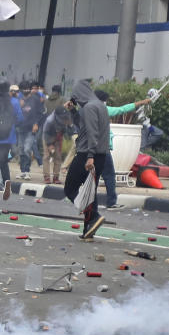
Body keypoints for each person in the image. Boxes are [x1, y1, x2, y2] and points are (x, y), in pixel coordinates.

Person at [63, 81, 110, 239]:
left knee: (70, 188)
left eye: (75, 98)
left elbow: (92, 133)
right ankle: (88, 229)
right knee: (90, 192)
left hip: (87, 155)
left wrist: (90, 157)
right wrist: (73, 111)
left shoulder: (89, 107)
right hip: (101, 155)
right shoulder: (99, 105)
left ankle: (94, 216)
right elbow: (83, 126)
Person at [94, 90, 151, 208]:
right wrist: (142, 102)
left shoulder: (88, 110)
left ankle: (88, 202)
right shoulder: (104, 110)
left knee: (93, 176)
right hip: (103, 148)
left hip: (90, 148)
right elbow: (122, 109)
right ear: (103, 100)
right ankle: (111, 202)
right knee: (109, 175)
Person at [17, 82, 44, 179]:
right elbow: (15, 113)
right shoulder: (18, 100)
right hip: (20, 128)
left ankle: (27, 170)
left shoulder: (35, 100)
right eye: (23, 89)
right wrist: (19, 106)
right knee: (21, 150)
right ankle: (22, 171)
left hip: (31, 129)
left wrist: (36, 124)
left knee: (27, 149)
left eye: (27, 88)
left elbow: (41, 113)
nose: (25, 90)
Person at [42, 106, 72, 184]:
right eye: (62, 117)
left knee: (58, 157)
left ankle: (56, 177)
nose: (63, 119)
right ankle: (47, 177)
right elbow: (45, 132)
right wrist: (49, 144)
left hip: (58, 136)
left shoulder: (66, 117)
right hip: (48, 136)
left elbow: (66, 129)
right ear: (56, 115)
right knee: (46, 156)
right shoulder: (49, 120)